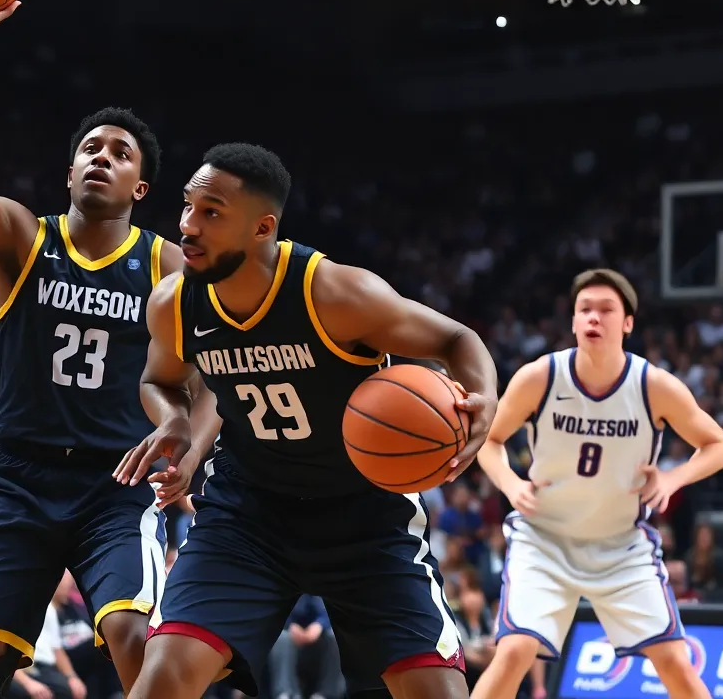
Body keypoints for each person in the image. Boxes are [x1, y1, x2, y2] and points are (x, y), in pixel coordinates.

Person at [115, 143, 499, 699]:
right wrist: (175, 420)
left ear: (262, 228)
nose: (188, 226)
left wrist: (483, 395)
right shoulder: (174, 302)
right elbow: (160, 380)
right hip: (249, 514)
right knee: (163, 680)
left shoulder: (336, 293)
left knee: (437, 692)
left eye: (212, 212)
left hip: (365, 517)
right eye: (187, 207)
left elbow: (454, 339)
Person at [0, 0, 183, 698]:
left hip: (115, 482)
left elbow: (205, 371)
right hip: (18, 478)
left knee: (132, 634)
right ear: (69, 175)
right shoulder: (22, 239)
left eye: (119, 153)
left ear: (141, 186)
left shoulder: (166, 266)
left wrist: (189, 441)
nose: (102, 158)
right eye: (90, 149)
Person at [470, 269, 723, 699]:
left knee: (675, 663)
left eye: (606, 310)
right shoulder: (539, 377)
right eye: (584, 310)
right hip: (545, 539)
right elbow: (490, 440)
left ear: (628, 322)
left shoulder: (654, 386)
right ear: (573, 322)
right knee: (515, 650)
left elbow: (719, 445)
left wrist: (672, 477)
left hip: (621, 545)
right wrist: (510, 483)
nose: (594, 318)